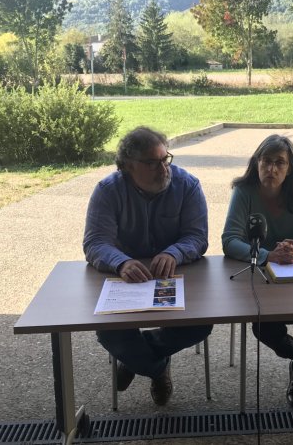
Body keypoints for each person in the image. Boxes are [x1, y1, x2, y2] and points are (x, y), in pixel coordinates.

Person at [83, 126, 211, 406]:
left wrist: (175, 252)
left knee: (200, 325)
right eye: (152, 163)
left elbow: (197, 236)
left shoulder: (187, 185)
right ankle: (157, 368)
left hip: (176, 275)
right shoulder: (108, 190)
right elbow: (95, 242)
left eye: (166, 159)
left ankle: (135, 359)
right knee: (109, 332)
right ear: (128, 166)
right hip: (127, 281)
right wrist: (120, 261)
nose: (163, 169)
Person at [222, 134, 293, 408]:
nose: (271, 169)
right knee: (263, 325)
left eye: (279, 163)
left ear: (289, 168)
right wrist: (267, 256)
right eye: (266, 161)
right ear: (256, 163)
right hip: (258, 275)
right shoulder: (244, 192)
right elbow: (230, 240)